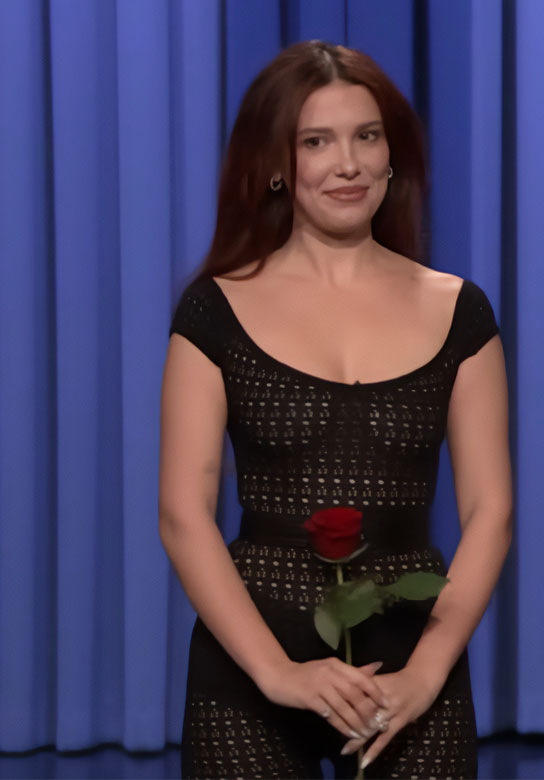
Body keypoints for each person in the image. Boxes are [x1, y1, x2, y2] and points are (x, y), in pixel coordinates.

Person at [159, 39, 512, 780]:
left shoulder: (460, 309)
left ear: (393, 155)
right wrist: (278, 673)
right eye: (317, 141)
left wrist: (425, 674)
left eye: (366, 136)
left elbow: (492, 511)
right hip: (252, 667)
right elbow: (183, 514)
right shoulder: (214, 308)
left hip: (412, 662)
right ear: (280, 163)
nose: (347, 164)